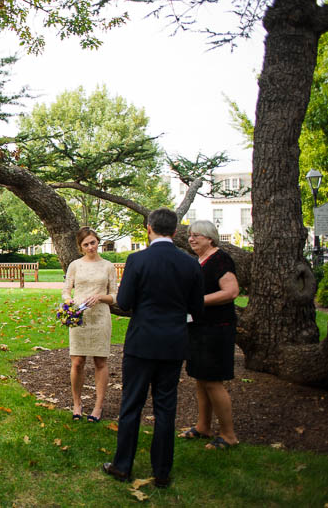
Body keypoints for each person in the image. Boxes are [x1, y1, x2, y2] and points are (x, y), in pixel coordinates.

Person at [102, 208, 204, 488]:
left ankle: (122, 466)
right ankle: (162, 471)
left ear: (149, 228)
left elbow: (123, 300)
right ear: (174, 231)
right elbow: (197, 307)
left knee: (132, 404)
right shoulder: (190, 263)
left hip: (142, 341)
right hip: (173, 342)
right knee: (165, 407)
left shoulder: (137, 259)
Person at [178, 220, 240, 449]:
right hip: (198, 328)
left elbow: (231, 291)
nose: (192, 239)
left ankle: (228, 434)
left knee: (213, 381)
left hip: (217, 330)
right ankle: (203, 426)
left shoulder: (220, 259)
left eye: (197, 236)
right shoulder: (200, 261)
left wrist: (197, 301)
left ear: (210, 238)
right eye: (190, 236)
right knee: (201, 379)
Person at [63, 227, 118, 422]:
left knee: (100, 362)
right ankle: (77, 404)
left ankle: (98, 407)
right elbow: (66, 291)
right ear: (80, 247)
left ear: (98, 242)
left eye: (93, 242)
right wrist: (69, 302)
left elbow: (115, 296)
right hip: (80, 317)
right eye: (86, 244)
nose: (90, 247)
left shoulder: (108, 266)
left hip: (100, 317)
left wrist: (101, 297)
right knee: (77, 362)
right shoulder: (75, 265)